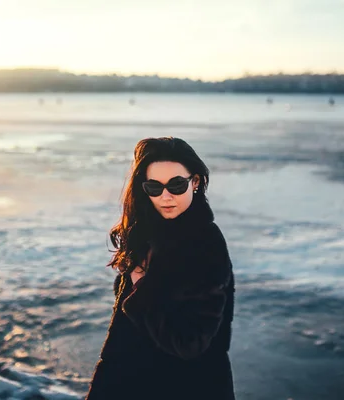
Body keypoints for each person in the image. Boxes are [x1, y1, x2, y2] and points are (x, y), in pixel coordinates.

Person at [85, 137, 236, 400]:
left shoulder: (204, 244)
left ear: (196, 182)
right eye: (154, 187)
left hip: (183, 388)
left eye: (177, 185)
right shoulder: (147, 233)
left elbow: (190, 342)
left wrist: (141, 289)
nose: (166, 196)